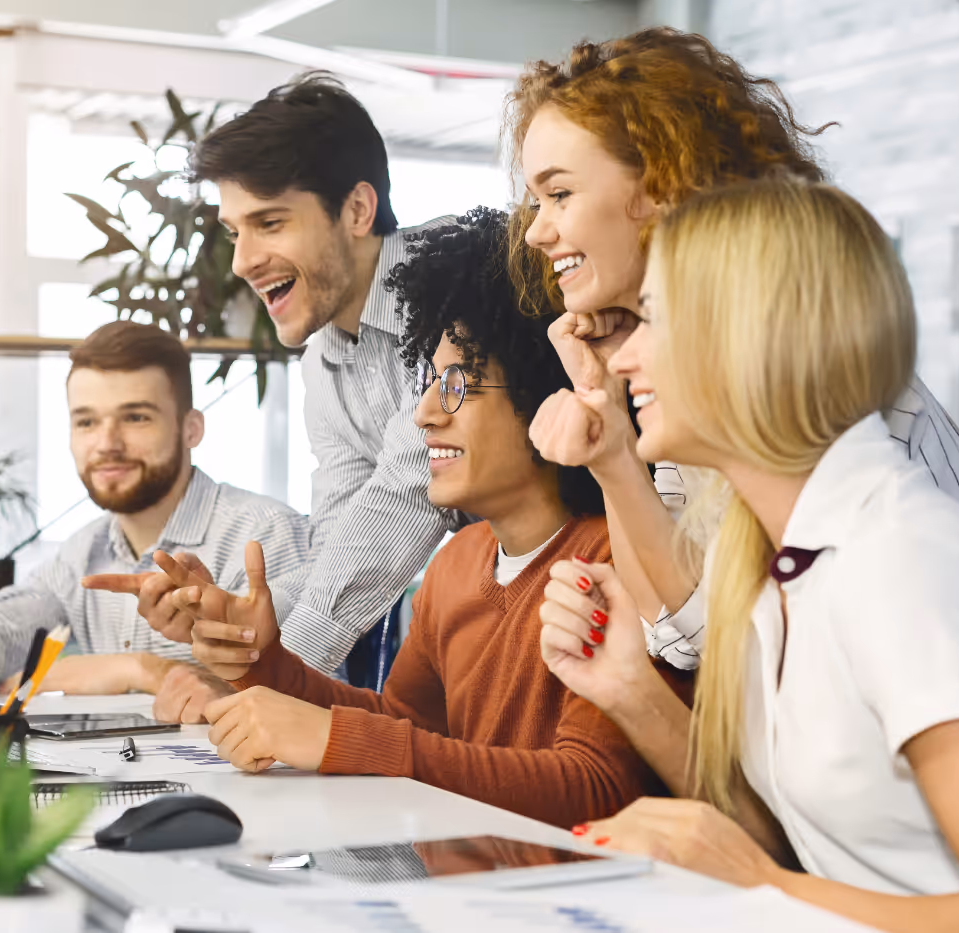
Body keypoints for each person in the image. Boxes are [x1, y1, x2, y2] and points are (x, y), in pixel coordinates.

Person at [539, 180, 959, 932]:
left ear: (751, 336)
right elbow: (800, 843)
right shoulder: (780, 560)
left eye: (653, 318)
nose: (625, 354)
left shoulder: (902, 565)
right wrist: (631, 687)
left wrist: (761, 886)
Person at [512, 29, 959, 672]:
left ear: (660, 182)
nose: (537, 230)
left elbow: (714, 633)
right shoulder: (689, 367)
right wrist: (612, 436)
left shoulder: (787, 355)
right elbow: (679, 637)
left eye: (559, 193)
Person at [158, 208, 690, 828]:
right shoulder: (460, 563)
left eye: (458, 384)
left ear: (544, 390)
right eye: (430, 382)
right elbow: (409, 729)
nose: (426, 414)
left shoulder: (618, 562)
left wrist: (337, 738)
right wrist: (266, 663)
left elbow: (594, 788)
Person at [99, 73, 455, 683]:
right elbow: (342, 533)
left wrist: (260, 673)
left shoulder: (450, 284)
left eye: (270, 223)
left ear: (357, 210)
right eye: (235, 232)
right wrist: (241, 625)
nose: (241, 262)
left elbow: (406, 500)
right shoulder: (325, 355)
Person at [0, 321, 309, 703]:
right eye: (86, 421)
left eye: (136, 417)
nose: (107, 443)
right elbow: (5, 632)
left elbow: (307, 694)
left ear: (191, 430)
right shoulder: (84, 550)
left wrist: (126, 671)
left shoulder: (265, 535)